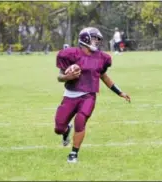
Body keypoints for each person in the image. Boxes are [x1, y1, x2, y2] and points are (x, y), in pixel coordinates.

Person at [55, 27, 131, 163]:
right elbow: (59, 77)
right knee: (58, 128)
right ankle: (66, 130)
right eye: (95, 39)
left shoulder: (101, 58)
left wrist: (119, 92)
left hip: (88, 95)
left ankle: (74, 153)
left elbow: (104, 77)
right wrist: (67, 77)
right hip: (70, 95)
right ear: (86, 39)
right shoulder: (70, 54)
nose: (97, 42)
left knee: (80, 120)